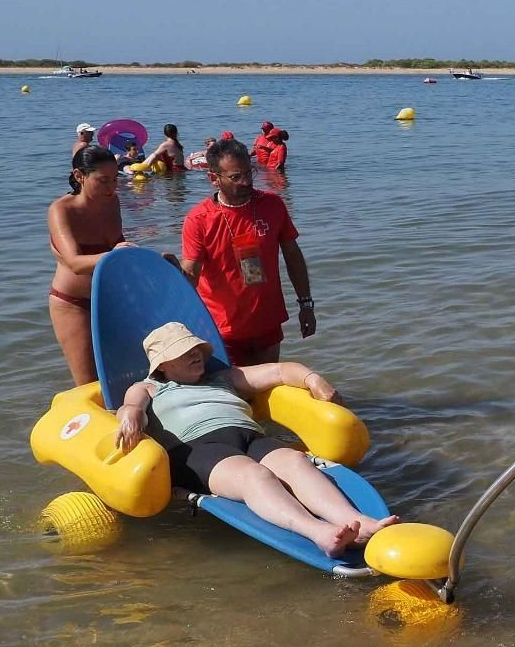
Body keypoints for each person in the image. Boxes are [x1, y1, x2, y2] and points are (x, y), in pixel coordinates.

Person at [115, 323, 396, 556]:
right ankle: (319, 533)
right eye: (184, 352)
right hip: (197, 448)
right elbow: (131, 407)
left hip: (248, 436)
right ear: (162, 365)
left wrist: (313, 379)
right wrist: (130, 418)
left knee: (296, 461)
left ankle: (355, 521)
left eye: (196, 348)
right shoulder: (149, 388)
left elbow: (279, 371)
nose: (195, 354)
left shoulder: (224, 378)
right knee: (254, 475)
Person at [180, 137, 315, 365]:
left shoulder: (272, 205)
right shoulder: (199, 219)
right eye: (235, 177)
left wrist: (306, 304)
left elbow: (293, 256)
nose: (245, 182)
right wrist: (172, 276)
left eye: (248, 173)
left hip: (267, 323)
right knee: (233, 388)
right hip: (222, 331)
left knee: (269, 383)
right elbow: (191, 272)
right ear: (214, 178)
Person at [48, 146, 132, 383]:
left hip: (110, 300)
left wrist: (151, 261)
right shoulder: (61, 210)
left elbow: (118, 244)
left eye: (115, 179)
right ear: (79, 176)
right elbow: (74, 263)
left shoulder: (112, 202)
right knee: (89, 383)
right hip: (73, 303)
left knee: (125, 377)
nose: (112, 187)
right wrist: (115, 255)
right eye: (103, 180)